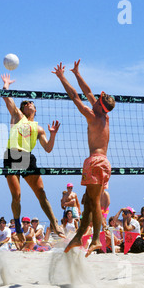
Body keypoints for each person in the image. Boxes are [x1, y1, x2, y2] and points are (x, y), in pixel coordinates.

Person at [53, 59, 116, 257]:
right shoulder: (103, 115)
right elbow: (87, 91)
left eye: (99, 98)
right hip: (103, 162)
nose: (95, 97)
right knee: (88, 201)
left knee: (94, 202)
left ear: (100, 102)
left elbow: (74, 96)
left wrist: (62, 77)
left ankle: (96, 238)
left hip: (95, 161)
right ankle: (80, 237)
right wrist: (76, 73)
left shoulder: (92, 115)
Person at [1, 73, 64, 241]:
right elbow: (7, 99)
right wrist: (6, 85)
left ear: (34, 109)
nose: (28, 103)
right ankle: (18, 225)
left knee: (41, 193)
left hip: (28, 158)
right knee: (17, 195)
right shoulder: (17, 116)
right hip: (12, 155)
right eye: (25, 103)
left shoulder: (39, 128)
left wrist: (53, 135)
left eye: (31, 102)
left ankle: (54, 223)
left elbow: (48, 149)